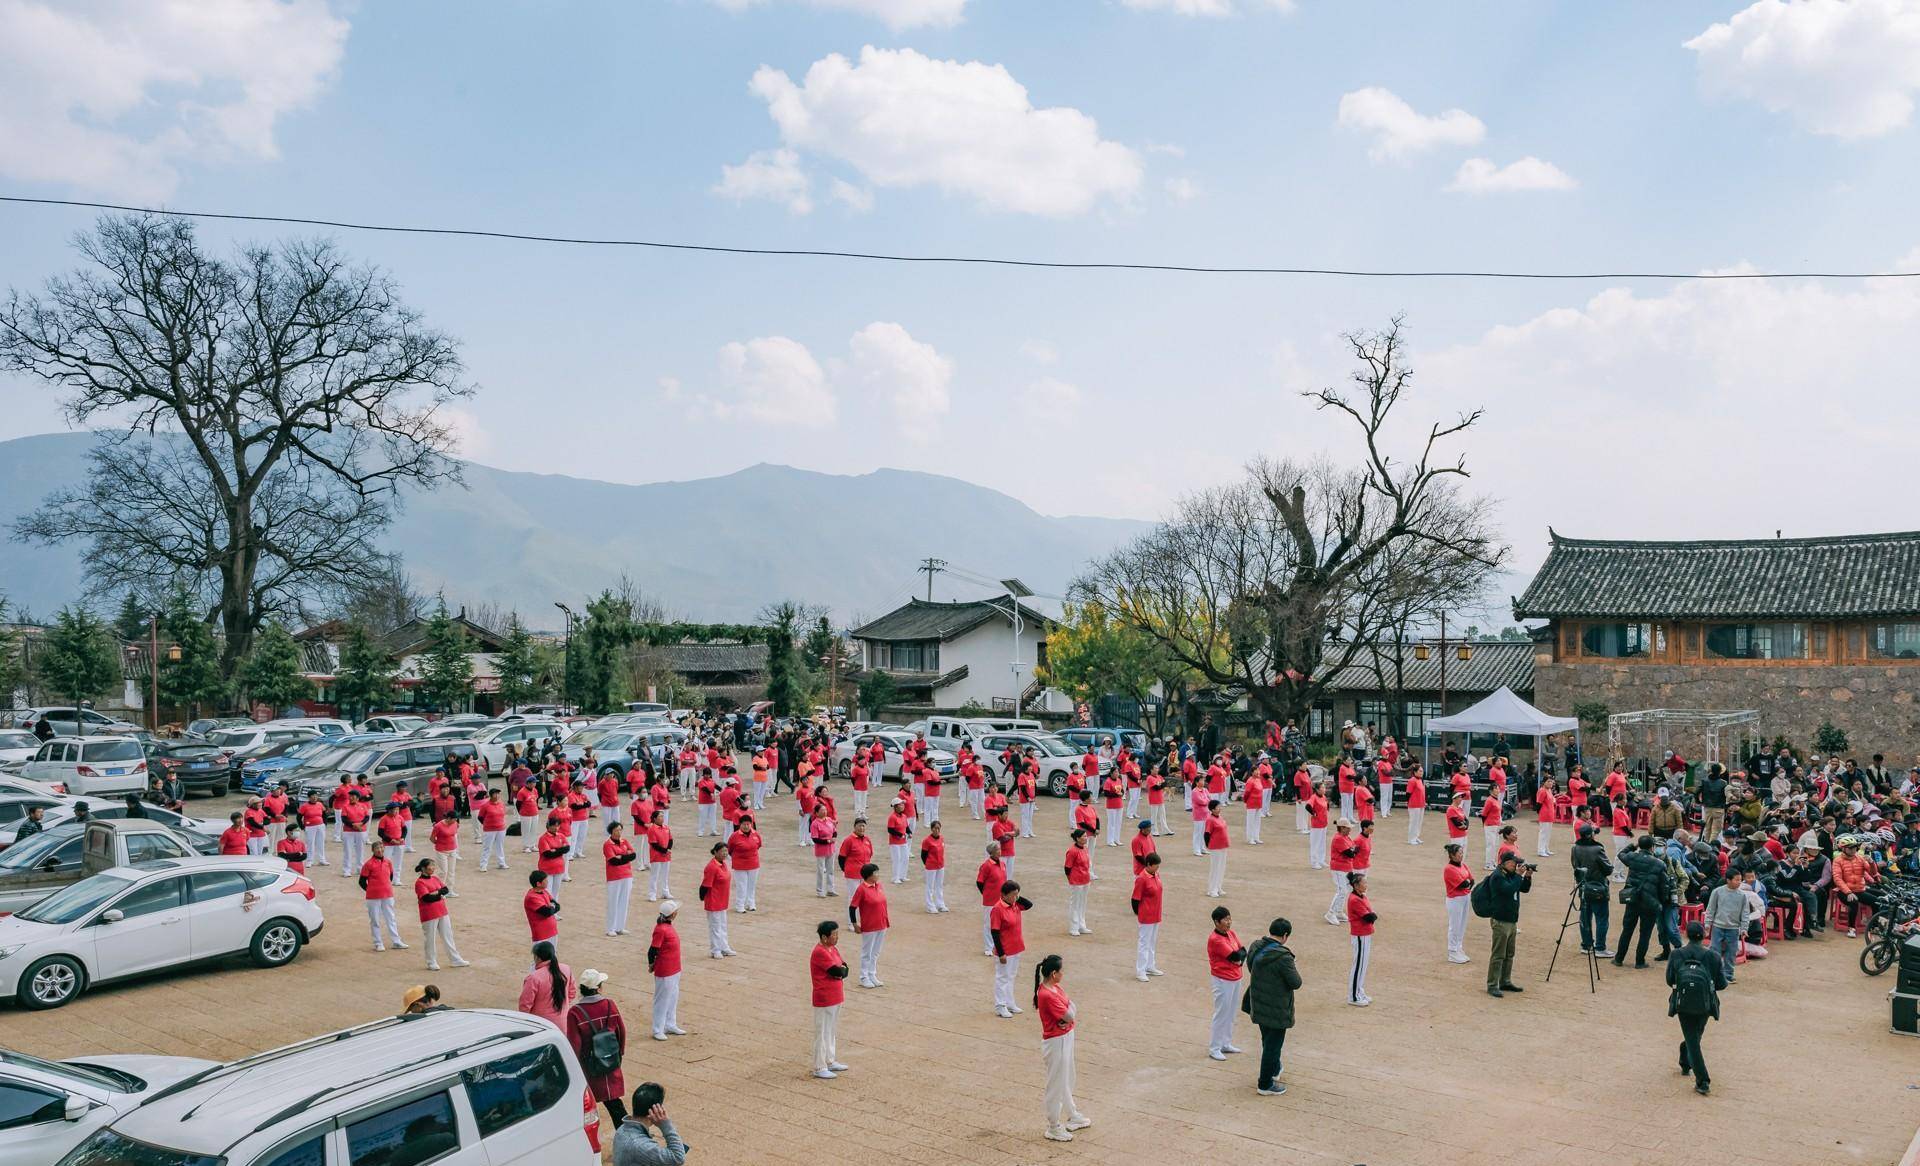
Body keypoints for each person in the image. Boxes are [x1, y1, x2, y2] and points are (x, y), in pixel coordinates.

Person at [1035, 953, 1090, 1141]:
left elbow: (1070, 1009)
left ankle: (1072, 1114)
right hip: (1056, 1041)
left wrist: (1068, 1014)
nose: (1063, 974)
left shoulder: (1055, 988)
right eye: (1061, 971)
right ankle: (1053, 1125)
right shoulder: (1046, 994)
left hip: (1065, 1037)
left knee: (1067, 1077)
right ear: (1053, 973)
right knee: (1056, 1083)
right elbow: (1070, 1014)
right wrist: (1068, 1015)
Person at [1666, 921, 1725, 1096]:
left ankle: (1686, 1060)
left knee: (1692, 1038)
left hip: (1683, 1001)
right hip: (1705, 1004)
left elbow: (1670, 980)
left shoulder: (1677, 954)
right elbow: (1722, 984)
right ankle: (1703, 1079)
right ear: (1704, 936)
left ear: (1686, 935)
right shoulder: (1713, 956)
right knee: (1694, 1037)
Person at [1243, 917, 1301, 1096]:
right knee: (1272, 1045)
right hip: (1276, 1007)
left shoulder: (1255, 947)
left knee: (1267, 1039)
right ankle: (1265, 1083)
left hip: (1258, 1002)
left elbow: (1251, 966)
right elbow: (1296, 982)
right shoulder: (1283, 957)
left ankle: (1274, 1069)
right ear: (1285, 936)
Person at [567, 969, 628, 1126]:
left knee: (582, 1104)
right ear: (599, 987)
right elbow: (621, 1031)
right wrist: (618, 1054)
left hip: (590, 1066)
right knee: (616, 1106)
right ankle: (628, 1138)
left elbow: (574, 1044)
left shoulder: (575, 1012)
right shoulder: (609, 1005)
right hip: (610, 1061)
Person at [1614, 834, 1674, 969]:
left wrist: (1633, 845)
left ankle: (1619, 958)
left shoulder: (1633, 857)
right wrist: (1663, 900)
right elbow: (1664, 885)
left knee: (1627, 930)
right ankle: (1639, 961)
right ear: (1652, 847)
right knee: (1645, 933)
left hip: (1633, 899)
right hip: (1650, 902)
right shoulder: (1659, 864)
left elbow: (1621, 853)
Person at [1483, 851, 1532, 997]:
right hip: (1501, 921)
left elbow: (1524, 889)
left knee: (1509, 954)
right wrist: (1518, 875)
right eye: (1513, 862)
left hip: (1511, 921)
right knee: (1498, 954)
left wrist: (1527, 877)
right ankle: (1492, 984)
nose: (1516, 865)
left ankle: (1505, 981)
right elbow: (1509, 889)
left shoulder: (1510, 875)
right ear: (1505, 863)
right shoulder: (1497, 876)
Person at [810, 919, 851, 1079]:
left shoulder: (832, 949)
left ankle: (830, 1059)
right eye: (834, 934)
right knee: (822, 1032)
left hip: (836, 995)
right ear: (824, 937)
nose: (837, 937)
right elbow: (839, 971)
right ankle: (819, 1066)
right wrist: (841, 971)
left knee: (831, 1031)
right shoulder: (820, 951)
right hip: (824, 997)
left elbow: (845, 967)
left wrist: (842, 970)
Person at [1205, 905, 1246, 1059]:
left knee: (1231, 1011)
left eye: (1229, 918)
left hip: (1235, 977)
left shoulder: (1231, 933)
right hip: (1223, 980)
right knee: (1222, 1012)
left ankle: (1225, 1043)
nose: (1229, 922)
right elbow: (1235, 956)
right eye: (1225, 919)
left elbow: (1243, 951)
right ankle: (1215, 1047)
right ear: (1216, 922)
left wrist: (1238, 959)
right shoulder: (1215, 939)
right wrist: (1238, 958)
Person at [611, 1082, 687, 1166]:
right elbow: (678, 1157)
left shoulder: (622, 1128)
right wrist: (666, 1125)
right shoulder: (642, 1146)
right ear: (654, 1111)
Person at [1569, 824, 1616, 958]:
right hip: (1598, 887)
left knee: (1585, 917)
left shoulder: (1575, 848)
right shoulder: (1597, 849)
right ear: (1591, 835)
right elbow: (1608, 869)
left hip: (1583, 887)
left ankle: (1586, 945)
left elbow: (1575, 867)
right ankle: (1600, 947)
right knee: (1601, 918)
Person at [413, 857, 467, 971]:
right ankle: (431, 961)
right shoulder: (420, 882)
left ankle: (455, 959)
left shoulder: (435, 878)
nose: (433, 868)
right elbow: (427, 898)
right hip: (429, 914)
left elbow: (445, 889)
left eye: (433, 865)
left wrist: (436, 893)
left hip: (442, 911)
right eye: (430, 866)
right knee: (430, 939)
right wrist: (439, 895)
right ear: (423, 868)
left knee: (448, 936)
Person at [990, 881, 1032, 1018]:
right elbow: (995, 932)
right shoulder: (997, 909)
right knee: (1002, 977)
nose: (1015, 897)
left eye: (1017, 894)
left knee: (1011, 976)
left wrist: (1017, 897)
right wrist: (1001, 953)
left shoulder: (1015, 904)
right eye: (1013, 895)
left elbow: (1029, 905)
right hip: (1005, 950)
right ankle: (1000, 1005)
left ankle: (1009, 1002)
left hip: (1016, 947)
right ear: (1003, 895)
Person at [647, 901, 685, 1040]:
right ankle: (658, 1029)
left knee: (673, 997)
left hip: (674, 968)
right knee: (662, 999)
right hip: (665, 969)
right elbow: (652, 950)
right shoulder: (661, 929)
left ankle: (670, 1024)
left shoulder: (667, 926)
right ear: (672, 914)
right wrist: (651, 964)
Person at [360, 841, 407, 952]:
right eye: (377, 848)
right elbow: (362, 881)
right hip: (373, 897)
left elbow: (390, 877)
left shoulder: (388, 862)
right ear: (373, 850)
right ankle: (378, 942)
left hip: (387, 895)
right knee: (375, 920)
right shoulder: (368, 864)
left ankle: (396, 941)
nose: (380, 850)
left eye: (381, 847)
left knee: (391, 918)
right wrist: (371, 890)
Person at [849, 863, 890, 988]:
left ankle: (872, 974)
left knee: (876, 952)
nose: (877, 875)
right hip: (870, 925)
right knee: (867, 952)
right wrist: (855, 923)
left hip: (881, 923)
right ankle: (864, 976)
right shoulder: (861, 889)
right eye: (875, 873)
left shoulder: (879, 886)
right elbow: (852, 907)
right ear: (868, 876)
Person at [518, 941, 576, 1028]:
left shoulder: (534, 978)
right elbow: (572, 993)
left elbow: (525, 1006)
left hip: (541, 1025)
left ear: (537, 958)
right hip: (563, 1023)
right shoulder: (566, 969)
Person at [1703, 869, 1746, 985]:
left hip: (1733, 928)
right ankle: (1713, 974)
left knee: (1731, 952)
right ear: (1728, 880)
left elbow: (1745, 913)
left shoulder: (1742, 895)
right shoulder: (1717, 892)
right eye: (1737, 880)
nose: (1739, 882)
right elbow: (1710, 909)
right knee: (1714, 950)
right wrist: (1707, 924)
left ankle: (1728, 975)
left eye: (1740, 880)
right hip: (1718, 926)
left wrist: (1744, 928)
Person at [1130, 851, 1164, 981]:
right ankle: (1141, 970)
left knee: (1152, 942)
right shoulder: (1142, 879)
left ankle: (1150, 966)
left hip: (1156, 914)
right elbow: (1135, 899)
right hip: (1146, 915)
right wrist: (1140, 913)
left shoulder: (1156, 874)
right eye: (1156, 866)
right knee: (1144, 943)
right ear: (1148, 865)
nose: (1157, 868)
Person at [698, 843, 736, 958]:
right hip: (714, 901)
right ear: (715, 852)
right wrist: (702, 897)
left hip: (723, 901)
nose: (725, 854)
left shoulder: (723, 864)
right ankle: (715, 950)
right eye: (722, 851)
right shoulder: (712, 867)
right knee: (715, 927)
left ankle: (724, 947)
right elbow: (705, 885)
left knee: (723, 926)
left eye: (726, 851)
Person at [604, 822, 638, 937]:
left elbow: (633, 855)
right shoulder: (608, 844)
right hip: (614, 877)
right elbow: (614, 861)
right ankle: (610, 928)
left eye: (620, 830)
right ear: (611, 831)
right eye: (617, 830)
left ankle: (620, 926)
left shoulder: (625, 841)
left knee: (624, 901)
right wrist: (625, 857)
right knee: (613, 902)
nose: (619, 832)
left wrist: (622, 857)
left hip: (627, 875)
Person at [1346, 873, 1375, 1006]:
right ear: (1357, 886)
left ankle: (1359, 991)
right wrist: (1372, 915)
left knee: (1363, 965)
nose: (1366, 885)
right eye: (1364, 882)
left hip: (1365, 933)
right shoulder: (1355, 900)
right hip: (1360, 935)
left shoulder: (1362, 896)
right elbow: (1369, 917)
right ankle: (1353, 996)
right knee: (1358, 966)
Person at [1442, 843, 1474, 964]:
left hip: (1465, 897)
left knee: (1462, 924)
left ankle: (1458, 947)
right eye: (1459, 853)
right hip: (1455, 900)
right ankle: (1452, 951)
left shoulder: (1462, 865)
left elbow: (1471, 880)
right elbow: (1462, 884)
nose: (1461, 855)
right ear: (1452, 855)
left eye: (1462, 852)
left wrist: (1467, 883)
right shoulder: (1449, 869)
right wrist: (1466, 883)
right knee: (1454, 926)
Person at [726, 815, 762, 912]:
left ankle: (751, 903)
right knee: (741, 885)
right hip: (740, 865)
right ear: (740, 825)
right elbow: (730, 849)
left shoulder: (755, 834)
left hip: (753, 864)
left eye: (748, 824)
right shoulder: (734, 836)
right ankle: (740, 905)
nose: (746, 826)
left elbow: (758, 845)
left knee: (752, 885)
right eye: (744, 824)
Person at [919, 818, 948, 913]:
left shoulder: (942, 838)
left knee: (939, 886)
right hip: (931, 866)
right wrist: (928, 863)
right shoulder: (927, 841)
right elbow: (923, 855)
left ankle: (940, 904)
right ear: (931, 829)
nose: (937, 830)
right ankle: (930, 906)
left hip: (940, 866)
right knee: (930, 886)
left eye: (938, 828)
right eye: (935, 828)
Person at [1203, 799, 1230, 897]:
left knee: (1221, 868)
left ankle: (1218, 887)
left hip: (1223, 846)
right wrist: (1209, 845)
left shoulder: (1220, 818)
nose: (1220, 809)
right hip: (1215, 847)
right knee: (1215, 868)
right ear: (1212, 809)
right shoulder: (1210, 820)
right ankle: (1212, 889)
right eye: (1218, 807)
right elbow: (1206, 834)